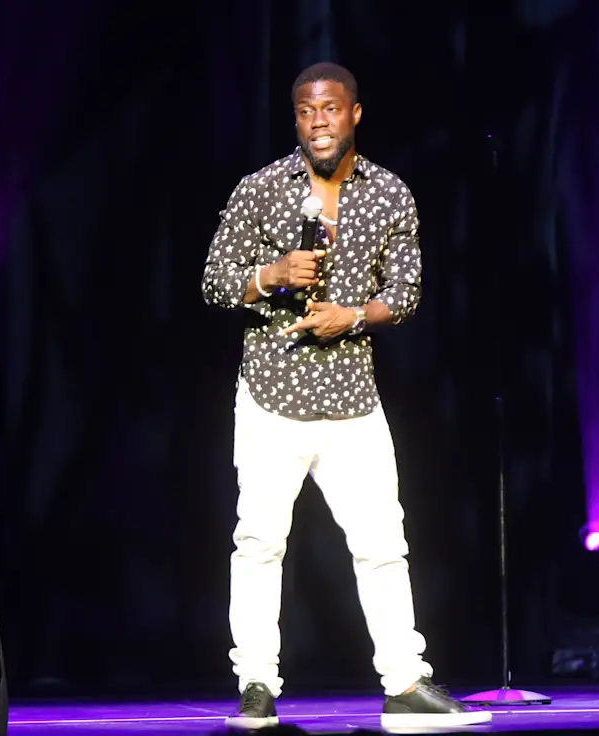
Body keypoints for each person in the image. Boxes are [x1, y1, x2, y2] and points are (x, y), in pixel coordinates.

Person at [201, 62, 492, 731]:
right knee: (259, 543)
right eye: (307, 112)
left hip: (352, 398)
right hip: (271, 391)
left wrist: (352, 315)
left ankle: (405, 683)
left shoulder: (388, 193)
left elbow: (406, 293)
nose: (319, 123)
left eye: (330, 109)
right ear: (296, 119)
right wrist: (271, 275)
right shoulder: (260, 189)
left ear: (354, 113)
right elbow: (215, 281)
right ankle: (256, 685)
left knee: (382, 543)